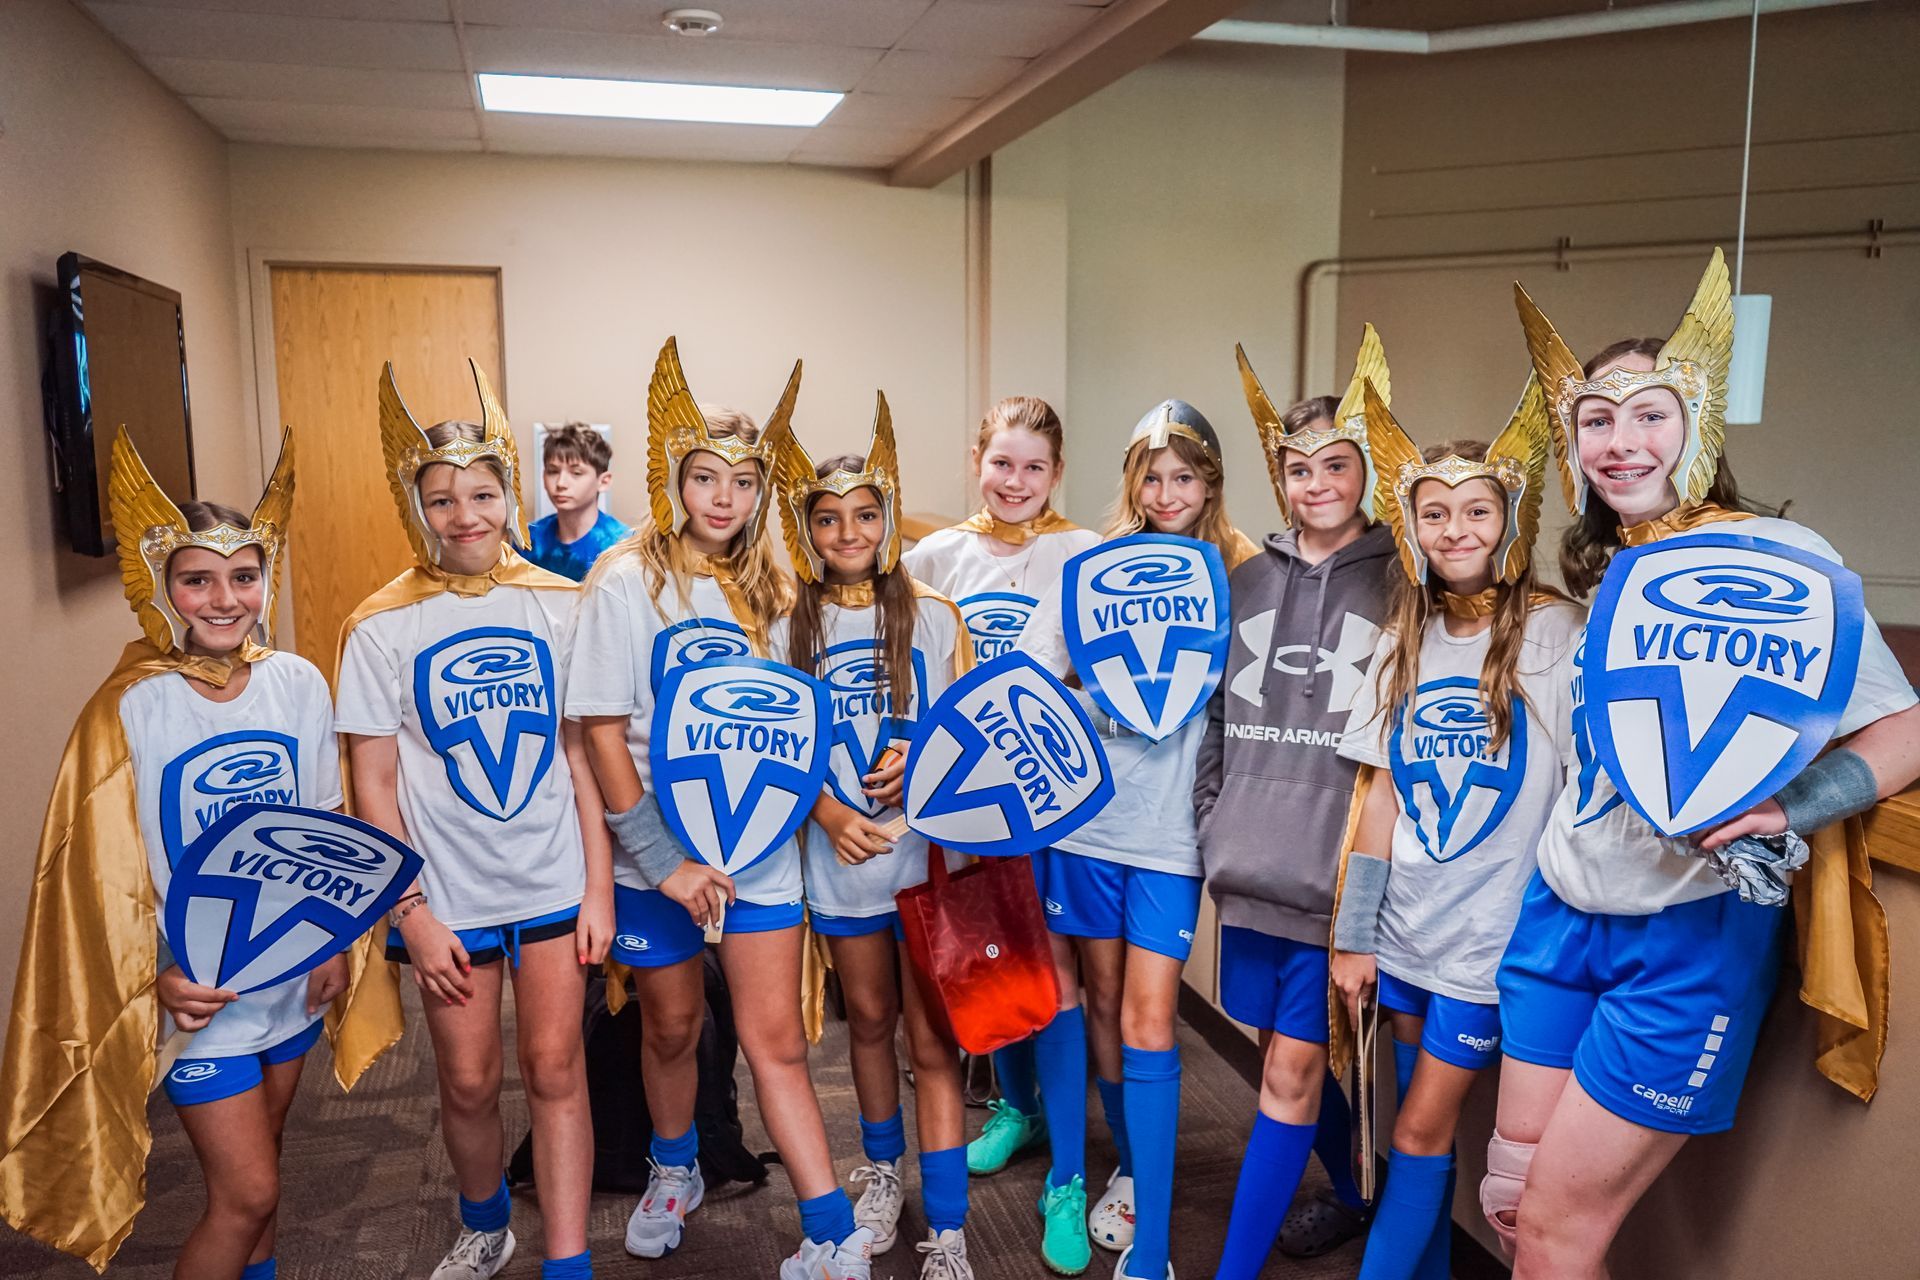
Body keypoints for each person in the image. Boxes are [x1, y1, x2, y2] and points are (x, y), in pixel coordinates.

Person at [1487, 250, 1920, 1278]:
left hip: (1686, 930)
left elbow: (1904, 727)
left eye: (1651, 414)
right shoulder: (1609, 567)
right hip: (1561, 908)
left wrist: (1791, 808)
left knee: (1555, 1234)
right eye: (1597, 419)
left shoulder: (1783, 557)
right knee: (1512, 1207)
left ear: (1700, 426)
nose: (1621, 440)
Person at [0, 430, 390, 1278]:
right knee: (243, 1193)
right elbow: (98, 877)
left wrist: (330, 947)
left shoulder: (296, 682)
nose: (224, 599)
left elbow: (321, 822)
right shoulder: (129, 709)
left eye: (243, 576)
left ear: (266, 580)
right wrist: (154, 980)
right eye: (198, 579)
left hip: (287, 972)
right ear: (162, 588)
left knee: (266, 1167)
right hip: (196, 995)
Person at [568, 338, 873, 1280]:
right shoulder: (625, 579)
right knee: (671, 1026)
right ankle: (675, 1169)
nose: (724, 499)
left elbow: (796, 733)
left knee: (775, 1042)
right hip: (654, 857)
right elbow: (602, 734)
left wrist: (828, 812)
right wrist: (664, 864)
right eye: (706, 477)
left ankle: (832, 1232)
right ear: (675, 478)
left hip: (760, 854)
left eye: (743, 482)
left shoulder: (777, 591)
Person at [336, 361, 611, 1280]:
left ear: (509, 496)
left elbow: (580, 755)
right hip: (445, 894)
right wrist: (408, 913)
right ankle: (486, 1224)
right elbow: (373, 782)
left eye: (484, 495)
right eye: (443, 499)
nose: (466, 516)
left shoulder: (561, 605)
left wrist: (599, 888)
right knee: (466, 1079)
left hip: (551, 879)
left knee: (556, 1069)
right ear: (416, 508)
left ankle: (568, 1261)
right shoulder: (378, 626)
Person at [1327, 376, 1581, 1280]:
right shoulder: (1404, 635)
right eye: (1434, 513)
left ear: (1510, 518)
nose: (1455, 530)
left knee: (1416, 1131)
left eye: (1476, 511)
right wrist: (1354, 937)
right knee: (1422, 1140)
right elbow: (1380, 798)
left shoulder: (1561, 633)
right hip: (1406, 931)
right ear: (1411, 526)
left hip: (1490, 945)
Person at [1014, 400, 1259, 1279]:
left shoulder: (1240, 577)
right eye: (1152, 478)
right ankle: (1079, 1175)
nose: (1166, 494)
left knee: (1150, 1020)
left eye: (1184, 477)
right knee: (1097, 1002)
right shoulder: (1088, 569)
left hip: (1170, 834)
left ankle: (1151, 1242)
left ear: (1211, 484)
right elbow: (1030, 682)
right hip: (1086, 823)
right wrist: (1098, 697)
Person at [1198, 332, 1398, 1279]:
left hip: (1334, 883)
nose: (1317, 484)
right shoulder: (1245, 581)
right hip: (1249, 867)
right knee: (1286, 1054)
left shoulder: (1404, 583)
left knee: (1286, 1075)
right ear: (1278, 478)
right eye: (1298, 468)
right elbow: (1213, 719)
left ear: (1367, 471)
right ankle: (1360, 1191)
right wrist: (1214, 821)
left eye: (1337, 465)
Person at [769, 393, 977, 1279]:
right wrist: (827, 812)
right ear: (805, 528)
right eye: (828, 518)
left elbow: (973, 735)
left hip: (925, 862)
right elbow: (773, 746)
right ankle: (883, 1175)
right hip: (842, 857)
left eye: (864, 514)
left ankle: (951, 1226)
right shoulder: (784, 624)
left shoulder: (935, 616)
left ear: (888, 517)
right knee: (868, 1021)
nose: (847, 532)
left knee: (932, 1039)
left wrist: (923, 767)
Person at [900, 395, 1100, 1181]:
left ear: (1057, 472)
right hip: (969, 798)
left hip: (1052, 793)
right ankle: (1018, 1109)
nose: (1016, 482)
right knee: (997, 955)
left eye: (1034, 467)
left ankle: (1069, 1170)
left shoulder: (1084, 553)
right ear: (976, 462)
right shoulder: (935, 555)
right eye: (1002, 463)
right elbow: (907, 664)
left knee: (1056, 971)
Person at [528, 423, 632, 582]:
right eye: (553, 471)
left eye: (576, 473)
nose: (561, 483)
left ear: (603, 481)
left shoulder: (622, 545)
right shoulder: (530, 540)